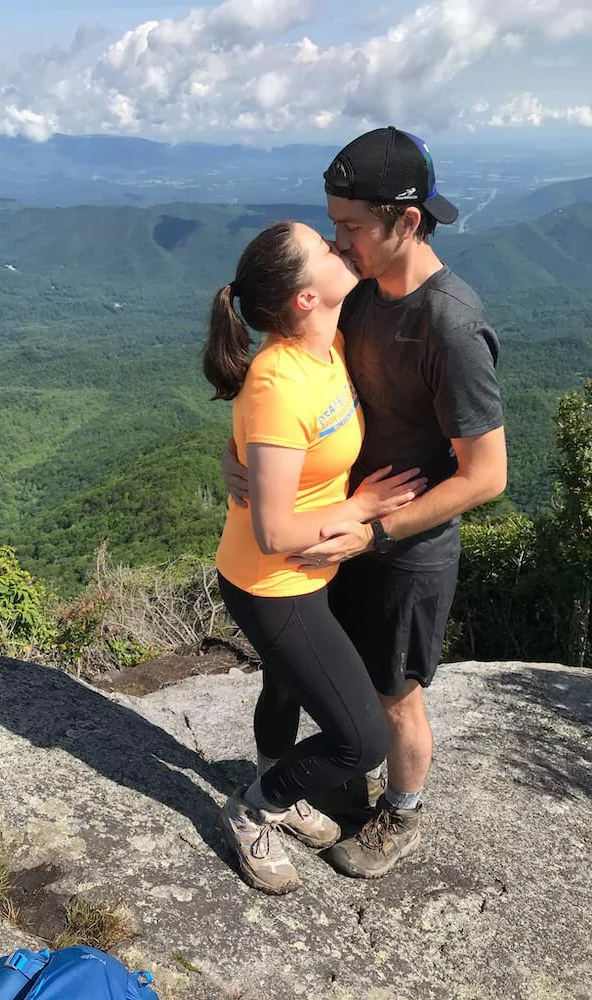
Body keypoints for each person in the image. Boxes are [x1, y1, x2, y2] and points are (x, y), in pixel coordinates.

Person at [221, 127, 507, 879]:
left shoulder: (450, 323)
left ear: (407, 221)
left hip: (403, 546)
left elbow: (486, 476)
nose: (339, 242)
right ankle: (319, 786)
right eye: (333, 227)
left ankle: (401, 814)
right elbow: (285, 386)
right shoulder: (359, 297)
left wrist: (371, 534)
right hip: (338, 533)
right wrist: (237, 455)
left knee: (395, 695)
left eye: (349, 227)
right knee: (316, 680)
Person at [203, 220, 427, 895]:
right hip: (271, 580)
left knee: (284, 684)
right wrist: (360, 510)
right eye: (325, 249)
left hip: (308, 570)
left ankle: (277, 779)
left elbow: (263, 447)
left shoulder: (326, 346)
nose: (340, 248)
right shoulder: (280, 380)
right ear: (304, 298)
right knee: (361, 740)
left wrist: (231, 455)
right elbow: (273, 531)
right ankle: (252, 809)